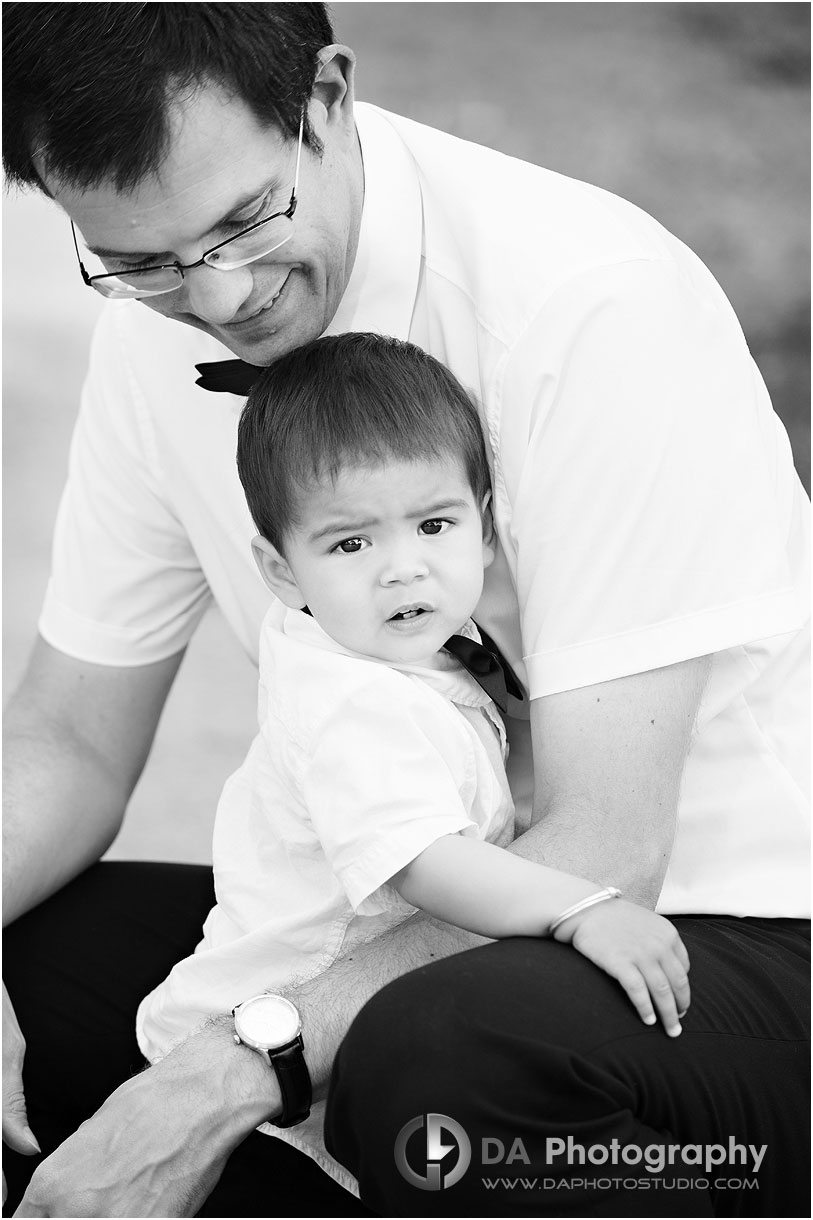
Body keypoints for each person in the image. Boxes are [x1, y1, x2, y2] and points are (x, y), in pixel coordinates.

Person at [2, 4, 808, 1218]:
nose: (218, 296)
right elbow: (67, 736)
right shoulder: (150, 344)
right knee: (33, 960)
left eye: (243, 220)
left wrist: (241, 1062)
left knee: (439, 1057)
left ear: (327, 97)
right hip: (395, 919)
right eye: (149, 260)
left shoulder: (587, 308)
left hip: (719, 936)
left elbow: (606, 850)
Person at [135, 330, 692, 1190]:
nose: (403, 569)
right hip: (270, 1056)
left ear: (484, 533)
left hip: (352, 1027)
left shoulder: (415, 648)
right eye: (350, 545)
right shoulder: (350, 701)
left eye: (433, 525)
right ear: (282, 574)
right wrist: (579, 906)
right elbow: (429, 867)